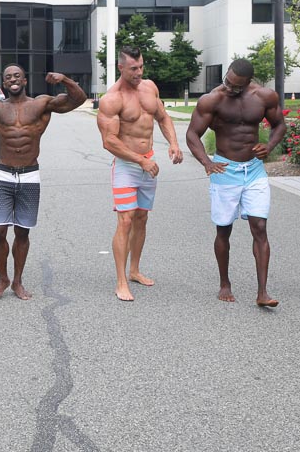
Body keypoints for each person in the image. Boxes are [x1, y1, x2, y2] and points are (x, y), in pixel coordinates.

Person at [0, 65, 86, 301]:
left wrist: (64, 79)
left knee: (22, 233)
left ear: (24, 81)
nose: (12, 79)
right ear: (4, 83)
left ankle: (17, 281)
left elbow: (78, 100)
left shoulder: (42, 103)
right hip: (3, 174)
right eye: (8, 77)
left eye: (17, 76)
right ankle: (2, 278)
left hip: (30, 175)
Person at [185, 58, 286, 307]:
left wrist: (269, 145)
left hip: (254, 170)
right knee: (223, 229)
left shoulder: (264, 96)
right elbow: (192, 134)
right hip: (225, 169)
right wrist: (207, 162)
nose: (229, 88)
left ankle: (263, 292)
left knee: (259, 227)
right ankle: (224, 283)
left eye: (236, 86)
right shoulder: (212, 100)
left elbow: (279, 125)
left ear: (248, 82)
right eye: (227, 82)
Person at [96, 46, 183, 302]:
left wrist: (174, 143)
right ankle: (121, 281)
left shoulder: (149, 88)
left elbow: (163, 118)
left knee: (142, 218)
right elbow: (109, 141)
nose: (139, 72)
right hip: (127, 166)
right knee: (125, 220)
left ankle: (134, 271)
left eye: (141, 66)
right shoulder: (111, 99)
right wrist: (140, 161)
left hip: (148, 163)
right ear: (120, 67)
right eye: (133, 68)